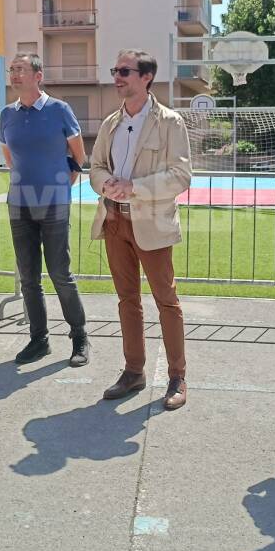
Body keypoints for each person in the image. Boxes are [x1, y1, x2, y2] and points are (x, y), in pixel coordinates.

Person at [89, 49, 192, 410]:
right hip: (115, 220)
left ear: (146, 77)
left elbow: (181, 175)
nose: (117, 76)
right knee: (127, 300)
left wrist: (135, 188)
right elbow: (96, 166)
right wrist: (108, 186)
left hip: (152, 221)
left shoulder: (170, 122)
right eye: (115, 69)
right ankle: (134, 371)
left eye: (124, 71)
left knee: (167, 300)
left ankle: (177, 376)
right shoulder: (110, 124)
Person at [0, 53, 90, 367]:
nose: (15, 74)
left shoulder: (59, 110)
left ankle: (79, 336)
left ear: (38, 75)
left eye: (21, 69)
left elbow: (78, 157)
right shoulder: (6, 114)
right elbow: (10, 158)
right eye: (12, 70)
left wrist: (60, 185)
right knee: (28, 278)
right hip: (19, 204)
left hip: (54, 203)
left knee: (60, 274)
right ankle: (39, 340)